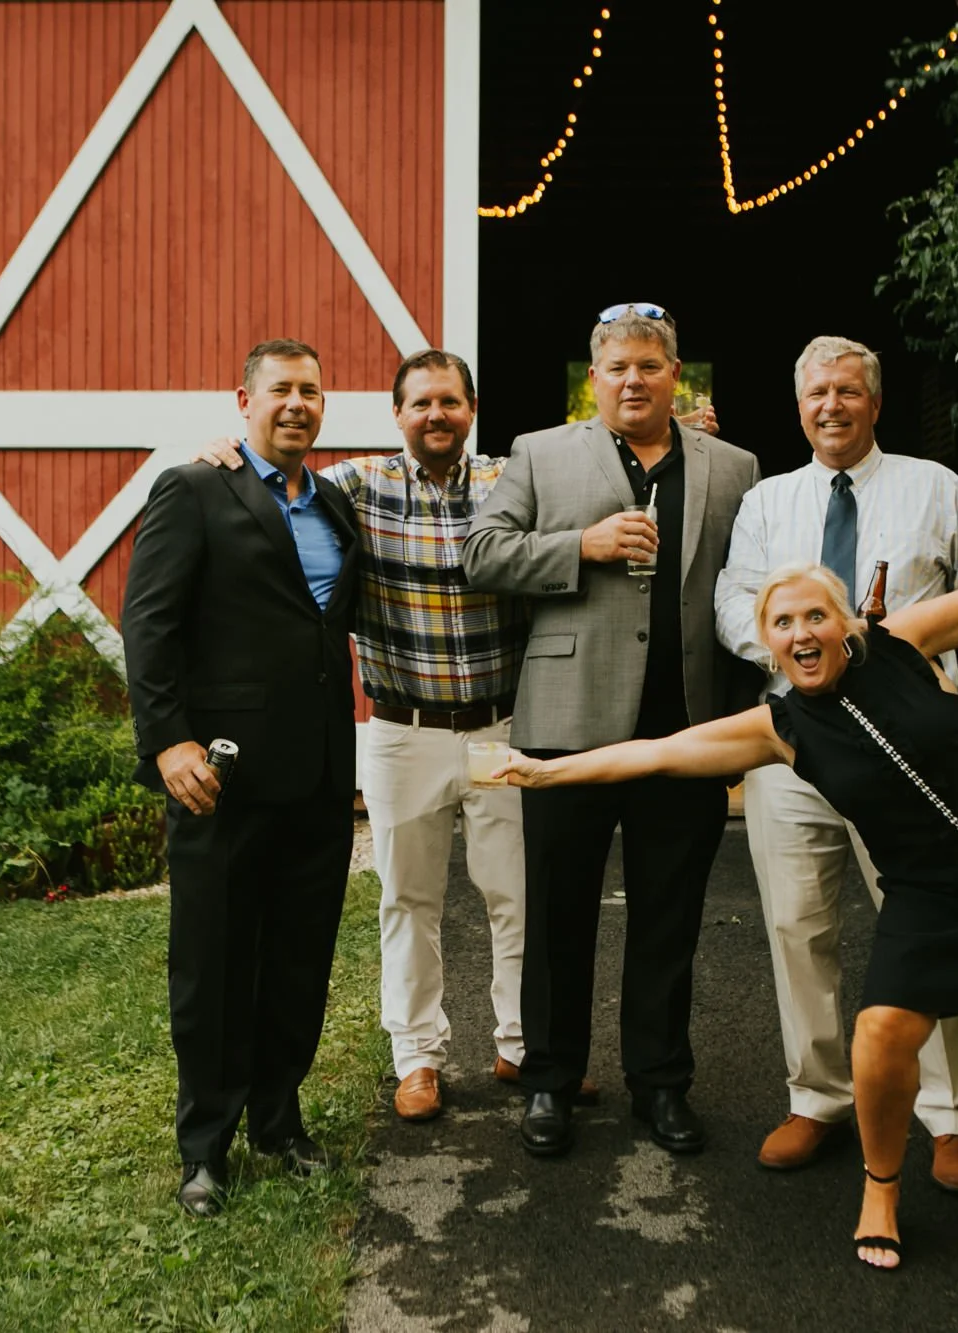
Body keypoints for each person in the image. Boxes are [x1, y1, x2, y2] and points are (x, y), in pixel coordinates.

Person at [494, 487, 958, 1269]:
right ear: (767, 643)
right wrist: (548, 773)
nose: (802, 631)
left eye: (815, 615)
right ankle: (881, 1186)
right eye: (783, 622)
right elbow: (658, 752)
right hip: (934, 890)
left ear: (846, 623)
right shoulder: (779, 728)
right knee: (882, 1033)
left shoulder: (899, 644)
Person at [194, 349, 603, 1122]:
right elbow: (269, 486)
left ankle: (522, 1045)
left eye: (450, 401)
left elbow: (589, 486)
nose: (436, 415)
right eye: (421, 403)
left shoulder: (510, 481)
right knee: (408, 900)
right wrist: (222, 455)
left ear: (471, 409)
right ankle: (417, 1058)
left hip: (500, 725)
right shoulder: (355, 485)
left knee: (516, 896)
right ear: (398, 414)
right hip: (401, 729)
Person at [462, 303, 760, 1158]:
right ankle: (550, 1081)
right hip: (569, 723)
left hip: (687, 728)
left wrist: (744, 722)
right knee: (559, 911)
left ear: (676, 377)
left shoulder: (736, 467)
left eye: (649, 366)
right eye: (618, 368)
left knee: (671, 914)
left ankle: (660, 1082)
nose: (634, 380)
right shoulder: (538, 452)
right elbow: (481, 553)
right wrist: (579, 546)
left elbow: (751, 583)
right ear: (593, 379)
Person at [714, 336, 958, 1185]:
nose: (832, 405)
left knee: (928, 923)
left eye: (848, 390)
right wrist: (790, 649)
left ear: (875, 403)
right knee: (796, 926)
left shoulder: (935, 488)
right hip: (795, 742)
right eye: (817, 393)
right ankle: (816, 1099)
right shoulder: (768, 501)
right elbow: (734, 597)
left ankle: (950, 1115)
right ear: (799, 406)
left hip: (910, 748)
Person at [122, 338, 360, 1217]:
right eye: (281, 389)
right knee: (215, 961)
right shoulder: (194, 489)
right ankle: (205, 1147)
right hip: (220, 775)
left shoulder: (334, 502)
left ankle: (279, 1121)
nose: (297, 403)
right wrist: (168, 743)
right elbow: (148, 624)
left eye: (312, 390)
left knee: (299, 958)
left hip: (320, 775)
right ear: (244, 400)